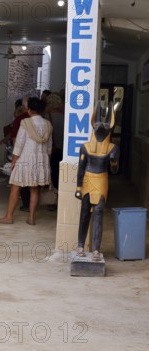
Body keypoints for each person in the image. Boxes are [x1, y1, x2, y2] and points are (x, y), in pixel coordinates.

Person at [0, 97, 52, 225]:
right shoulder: (48, 125)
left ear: (29, 110)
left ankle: (8, 217)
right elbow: (49, 148)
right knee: (34, 189)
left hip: (25, 159)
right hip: (41, 160)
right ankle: (31, 218)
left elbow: (19, 145)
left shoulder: (25, 123)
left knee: (15, 187)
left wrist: (14, 161)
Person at [75, 102, 118, 261]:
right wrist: (79, 187)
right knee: (85, 212)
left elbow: (114, 170)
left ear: (109, 129)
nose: (101, 128)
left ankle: (96, 250)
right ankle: (80, 245)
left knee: (99, 212)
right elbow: (81, 168)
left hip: (101, 180)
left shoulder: (112, 148)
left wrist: (114, 162)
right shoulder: (85, 147)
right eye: (98, 125)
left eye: (105, 125)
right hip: (87, 179)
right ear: (93, 127)